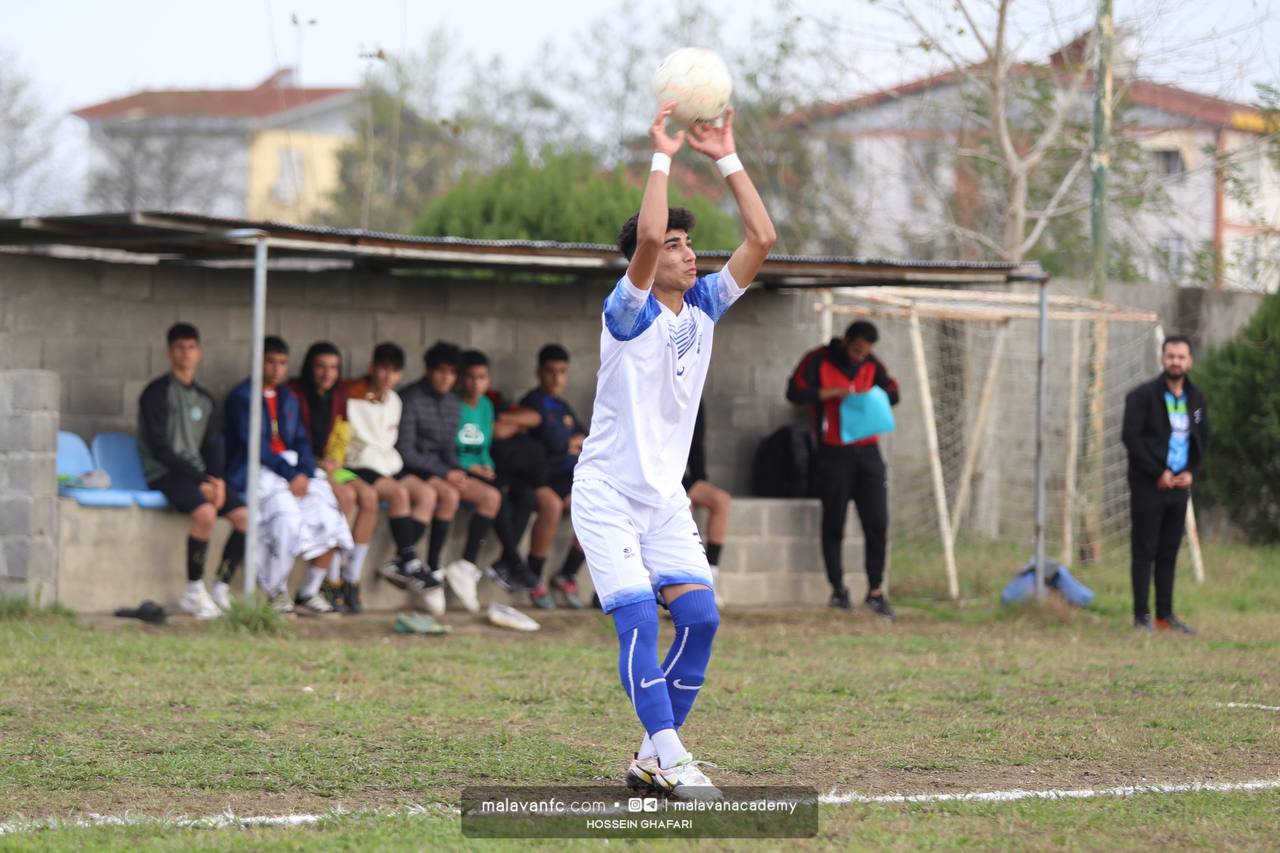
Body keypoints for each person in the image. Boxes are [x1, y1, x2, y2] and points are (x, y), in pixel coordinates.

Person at [571, 101, 775, 798]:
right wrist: (662, 153)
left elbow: (764, 235)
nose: (690, 253)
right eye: (679, 246)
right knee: (635, 619)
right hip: (605, 494)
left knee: (700, 617)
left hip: (663, 500)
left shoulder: (707, 307)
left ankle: (651, 756)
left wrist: (725, 155)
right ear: (651, 259)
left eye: (692, 246)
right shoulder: (626, 313)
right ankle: (672, 753)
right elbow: (651, 231)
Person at [225, 336, 353, 615]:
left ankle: (309, 591)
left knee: (330, 516)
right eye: (270, 361)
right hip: (261, 472)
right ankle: (276, 590)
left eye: (282, 363)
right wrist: (290, 474)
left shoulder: (288, 398)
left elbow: (301, 440)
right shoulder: (242, 396)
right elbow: (255, 445)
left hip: (295, 472)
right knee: (286, 521)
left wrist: (304, 472)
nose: (276, 369)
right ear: (258, 361)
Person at [787, 320, 900, 617]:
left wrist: (871, 397)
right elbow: (794, 392)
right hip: (833, 453)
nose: (860, 357)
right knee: (834, 523)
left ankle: (875, 590)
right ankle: (838, 589)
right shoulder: (818, 359)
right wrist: (830, 393)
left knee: (877, 522)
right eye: (856, 350)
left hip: (868, 452)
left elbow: (893, 392)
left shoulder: (872, 364)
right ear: (846, 341)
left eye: (865, 353)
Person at [137, 322, 248, 619]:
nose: (186, 353)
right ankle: (193, 591)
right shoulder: (156, 393)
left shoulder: (206, 398)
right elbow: (159, 446)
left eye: (191, 347)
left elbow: (213, 446)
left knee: (244, 517)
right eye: (179, 347)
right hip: (164, 473)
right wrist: (201, 481)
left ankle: (221, 587)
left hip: (198, 475)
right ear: (169, 352)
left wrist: (218, 482)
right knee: (205, 514)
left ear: (199, 353)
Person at [398, 341, 503, 614]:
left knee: (491, 497)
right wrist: (447, 473)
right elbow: (406, 451)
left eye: (451, 373)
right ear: (427, 370)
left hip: (441, 470)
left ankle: (465, 567)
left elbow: (448, 450)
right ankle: (433, 570)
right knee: (448, 494)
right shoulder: (410, 398)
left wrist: (458, 470)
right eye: (440, 371)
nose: (446, 378)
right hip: (412, 470)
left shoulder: (451, 404)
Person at [345, 343, 443, 616]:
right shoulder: (351, 397)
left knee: (427, 494)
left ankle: (403, 559)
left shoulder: (395, 401)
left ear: (400, 375)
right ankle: (411, 562)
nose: (388, 376)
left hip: (388, 463)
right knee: (399, 494)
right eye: (383, 369)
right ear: (372, 368)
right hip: (358, 464)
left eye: (394, 371)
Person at [1121, 334, 1208, 633]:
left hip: (1179, 487)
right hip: (1150, 486)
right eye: (1171, 356)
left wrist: (1192, 471)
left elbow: (1202, 436)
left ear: (1189, 361)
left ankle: (1164, 616)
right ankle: (1141, 616)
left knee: (1168, 553)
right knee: (1144, 550)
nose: (1175, 362)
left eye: (1181, 357)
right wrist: (1157, 471)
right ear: (1162, 358)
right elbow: (1130, 438)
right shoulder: (1142, 397)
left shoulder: (1195, 400)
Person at [285, 342, 378, 613]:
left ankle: (352, 578)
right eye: (321, 367)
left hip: (330, 463)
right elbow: (294, 440)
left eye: (334, 368)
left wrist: (333, 460)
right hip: (305, 464)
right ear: (309, 368)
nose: (327, 374)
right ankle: (331, 580)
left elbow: (341, 433)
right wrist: (319, 464)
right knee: (345, 497)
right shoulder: (295, 393)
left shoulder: (339, 395)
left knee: (369, 497)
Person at [457, 350, 541, 593]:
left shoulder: (485, 406)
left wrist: (487, 467)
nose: (476, 383)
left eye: (481, 377)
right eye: (471, 377)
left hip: (482, 468)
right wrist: (471, 467)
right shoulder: (454, 404)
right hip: (460, 468)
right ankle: (514, 561)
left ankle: (507, 561)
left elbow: (484, 446)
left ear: (488, 380)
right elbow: (450, 447)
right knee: (497, 495)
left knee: (526, 494)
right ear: (462, 379)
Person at [520, 343, 589, 608]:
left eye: (562, 372)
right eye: (551, 371)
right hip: (544, 478)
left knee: (594, 506)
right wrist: (566, 443)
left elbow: (585, 439)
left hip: (569, 478)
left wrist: (571, 443)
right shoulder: (532, 403)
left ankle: (567, 574)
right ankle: (534, 576)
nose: (557, 378)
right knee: (550, 506)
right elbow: (552, 441)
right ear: (539, 372)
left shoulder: (563, 407)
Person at [683, 400, 730, 608]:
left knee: (721, 500)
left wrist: (699, 478)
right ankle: (683, 583)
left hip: (687, 478)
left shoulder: (695, 396)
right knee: (684, 508)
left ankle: (710, 576)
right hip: (658, 477)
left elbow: (696, 442)